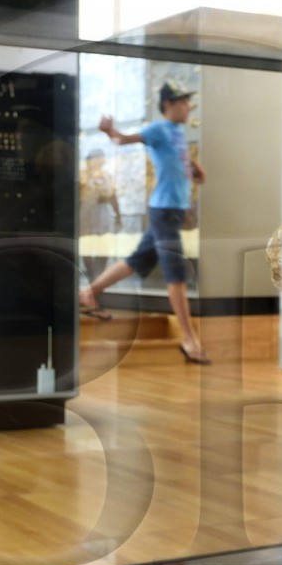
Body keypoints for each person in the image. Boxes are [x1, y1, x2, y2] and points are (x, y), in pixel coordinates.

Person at [79, 81, 210, 364]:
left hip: (171, 212)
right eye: (183, 102)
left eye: (188, 102)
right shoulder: (158, 129)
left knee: (136, 261)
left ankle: (90, 292)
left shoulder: (177, 132)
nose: (188, 107)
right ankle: (190, 340)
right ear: (169, 106)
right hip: (163, 211)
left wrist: (195, 168)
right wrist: (108, 131)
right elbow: (123, 139)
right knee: (176, 274)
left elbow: (179, 161)